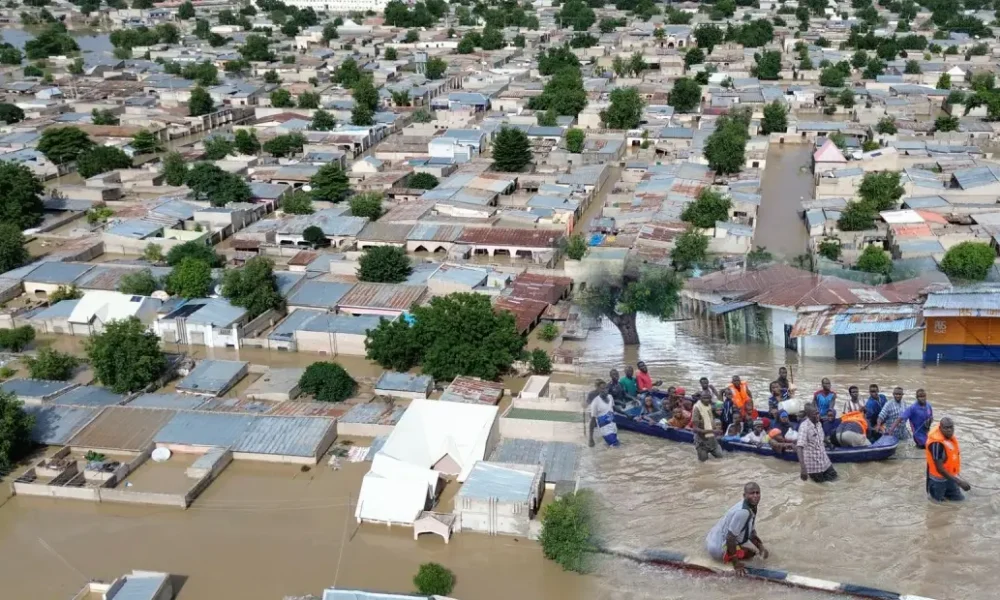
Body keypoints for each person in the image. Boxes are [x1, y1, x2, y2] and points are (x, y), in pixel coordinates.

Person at [705, 482, 769, 575]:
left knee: (759, 551)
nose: (755, 496)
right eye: (752, 493)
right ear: (744, 495)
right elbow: (730, 538)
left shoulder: (751, 506)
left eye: (757, 493)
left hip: (712, 537)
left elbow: (751, 531)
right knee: (752, 554)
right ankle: (728, 558)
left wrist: (761, 546)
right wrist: (736, 564)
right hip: (717, 548)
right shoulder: (743, 512)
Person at [926, 417, 970, 502]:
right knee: (937, 504)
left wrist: (956, 477)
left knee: (960, 500)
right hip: (938, 480)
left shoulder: (947, 438)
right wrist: (959, 482)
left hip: (950, 477)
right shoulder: (937, 444)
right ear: (940, 428)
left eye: (951, 427)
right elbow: (940, 469)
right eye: (946, 428)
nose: (949, 430)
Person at [797, 405, 838, 483]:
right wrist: (803, 469)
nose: (818, 415)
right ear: (808, 415)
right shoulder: (804, 427)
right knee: (821, 487)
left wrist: (829, 443)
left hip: (824, 461)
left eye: (818, 413)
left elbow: (821, 436)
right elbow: (799, 447)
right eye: (815, 414)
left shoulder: (819, 424)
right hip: (813, 466)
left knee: (835, 478)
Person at [692, 391, 724, 461]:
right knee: (703, 462)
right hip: (701, 441)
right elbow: (695, 429)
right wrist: (713, 431)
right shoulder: (697, 409)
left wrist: (721, 393)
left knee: (721, 458)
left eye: (708, 398)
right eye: (704, 398)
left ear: (710, 398)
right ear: (700, 398)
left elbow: (720, 403)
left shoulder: (709, 405)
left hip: (712, 440)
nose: (706, 400)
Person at [585, 380, 607, 447]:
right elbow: (587, 403)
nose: (604, 390)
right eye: (602, 388)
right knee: (593, 422)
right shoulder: (592, 394)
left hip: (602, 412)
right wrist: (584, 404)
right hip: (594, 412)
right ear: (597, 387)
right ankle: (591, 439)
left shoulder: (606, 393)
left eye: (605, 388)